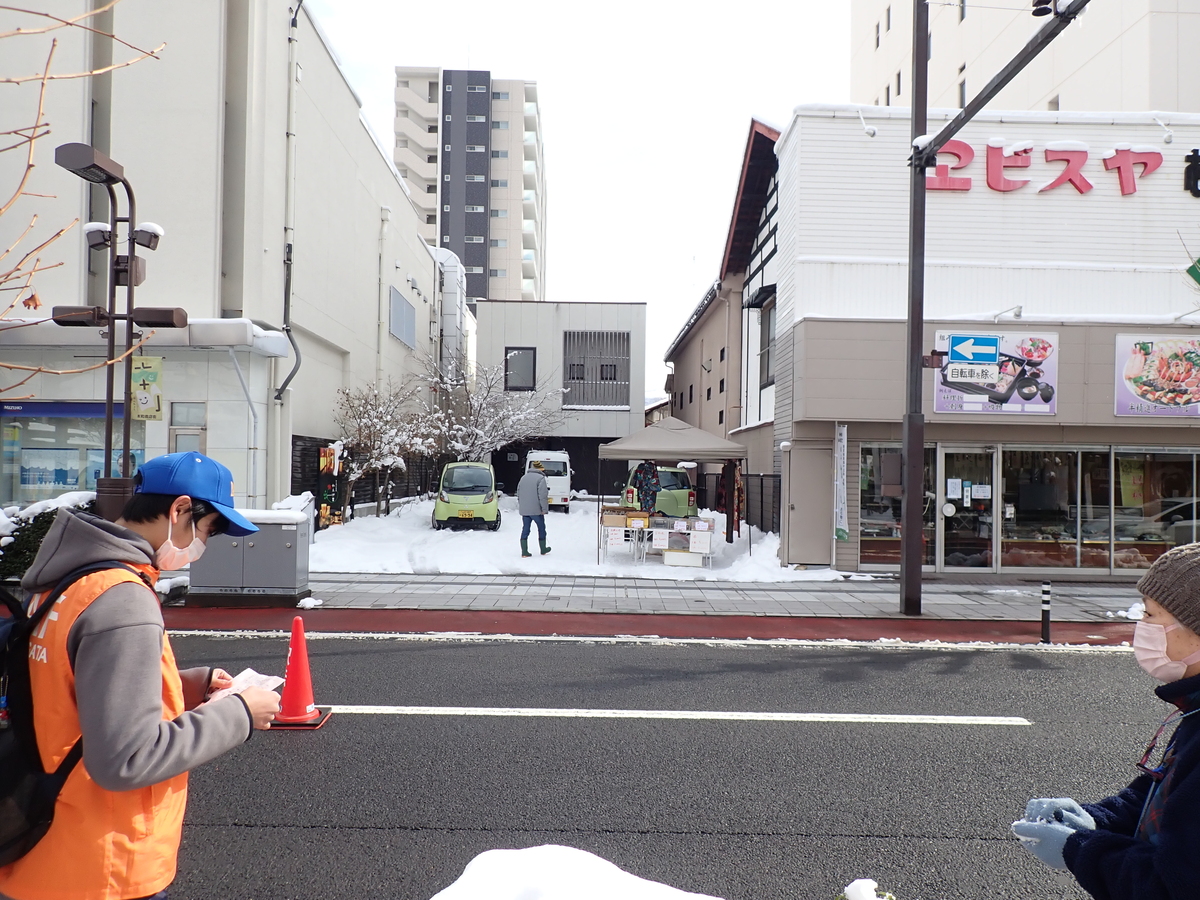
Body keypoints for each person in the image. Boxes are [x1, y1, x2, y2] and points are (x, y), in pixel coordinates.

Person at [0, 451, 281, 900]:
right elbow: (126, 759)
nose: (202, 546)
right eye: (207, 530)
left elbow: (65, 688)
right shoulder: (123, 598)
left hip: (44, 843)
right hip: (102, 863)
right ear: (179, 510)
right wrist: (240, 715)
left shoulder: (68, 580)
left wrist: (189, 684)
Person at [1011, 543, 1200, 899]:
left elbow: (1171, 886)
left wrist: (1080, 849)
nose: (1140, 627)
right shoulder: (1194, 709)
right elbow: (1162, 795)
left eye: (1150, 616)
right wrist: (1096, 818)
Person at [517, 460, 551, 558]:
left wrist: (522, 505)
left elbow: (519, 493)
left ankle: (524, 552)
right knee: (541, 528)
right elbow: (543, 496)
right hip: (536, 510)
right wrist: (544, 509)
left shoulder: (523, 478)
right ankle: (543, 549)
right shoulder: (541, 479)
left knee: (525, 529)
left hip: (525, 510)